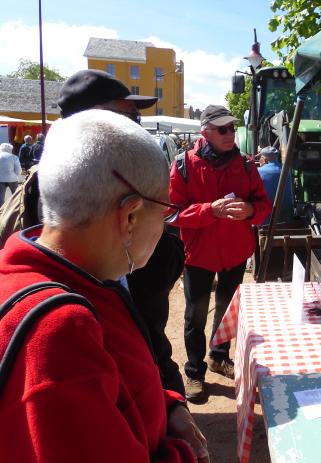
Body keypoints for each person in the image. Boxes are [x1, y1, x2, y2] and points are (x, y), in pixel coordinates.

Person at [0, 110, 207, 462]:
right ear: (129, 216)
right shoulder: (59, 331)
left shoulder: (76, 277)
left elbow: (115, 384)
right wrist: (183, 453)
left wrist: (167, 405)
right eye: (166, 212)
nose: (167, 226)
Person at [0, 69, 188, 396]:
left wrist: (168, 402)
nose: (136, 124)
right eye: (128, 116)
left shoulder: (127, 176)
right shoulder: (60, 325)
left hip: (145, 359)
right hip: (105, 381)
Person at [170, 105, 272, 403]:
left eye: (231, 128)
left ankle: (218, 357)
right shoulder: (183, 165)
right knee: (194, 316)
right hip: (198, 256)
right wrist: (208, 211)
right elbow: (170, 214)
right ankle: (194, 372)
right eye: (223, 129)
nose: (230, 134)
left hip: (236, 254)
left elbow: (263, 206)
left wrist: (251, 210)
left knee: (228, 312)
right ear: (205, 132)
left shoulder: (247, 165)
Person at [257, 146, 294, 224]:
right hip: (287, 217)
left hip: (267, 219)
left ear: (264, 159)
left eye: (260, 157)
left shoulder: (259, 171)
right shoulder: (287, 170)